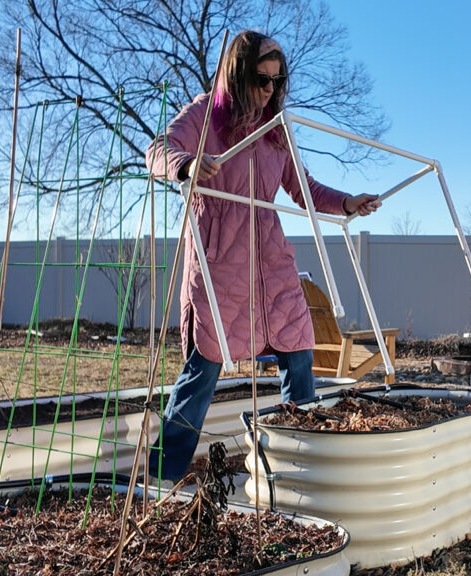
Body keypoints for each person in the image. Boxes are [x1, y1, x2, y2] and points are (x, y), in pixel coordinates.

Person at [145, 29, 381, 482]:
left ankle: (300, 464)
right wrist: (189, 165)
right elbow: (158, 151)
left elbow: (303, 189)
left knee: (299, 351)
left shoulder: (276, 129)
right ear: (237, 75)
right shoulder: (204, 115)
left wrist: (349, 203)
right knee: (203, 371)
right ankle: (163, 476)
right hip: (220, 266)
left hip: (271, 262)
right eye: (261, 78)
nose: (270, 89)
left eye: (277, 80)